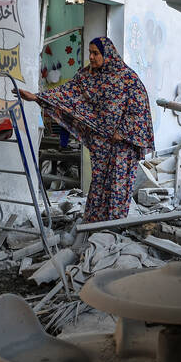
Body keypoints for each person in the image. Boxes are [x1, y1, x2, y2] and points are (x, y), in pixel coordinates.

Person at [16, 36, 154, 223]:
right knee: (99, 182)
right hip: (101, 142)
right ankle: (94, 223)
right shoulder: (87, 76)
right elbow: (67, 93)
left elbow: (139, 108)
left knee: (118, 184)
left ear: (107, 54)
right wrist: (37, 97)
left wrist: (122, 131)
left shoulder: (128, 78)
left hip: (123, 144)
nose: (91, 57)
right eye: (90, 52)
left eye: (96, 53)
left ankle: (113, 225)